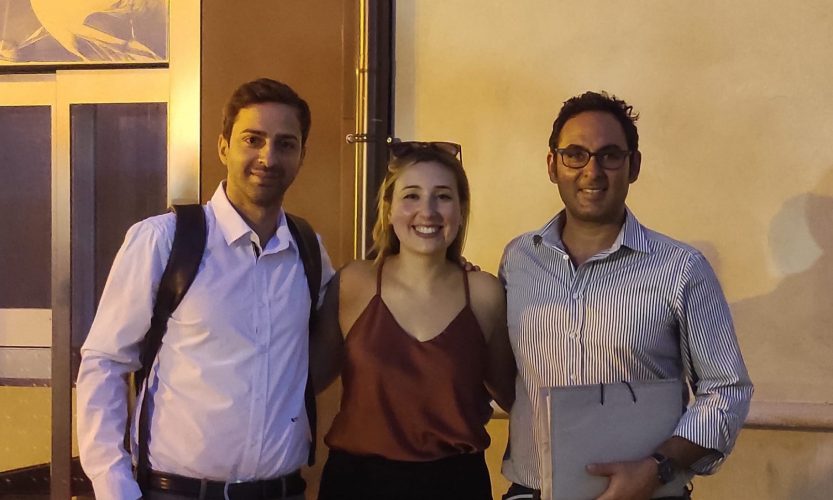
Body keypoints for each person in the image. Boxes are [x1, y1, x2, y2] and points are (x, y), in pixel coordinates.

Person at [76, 78, 335, 500]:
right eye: (253, 139)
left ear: (302, 156)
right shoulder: (164, 240)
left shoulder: (307, 250)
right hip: (175, 492)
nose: (268, 157)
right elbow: (105, 363)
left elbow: (342, 335)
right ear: (223, 147)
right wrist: (114, 487)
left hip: (282, 491)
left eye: (285, 144)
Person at [499, 92, 753, 500]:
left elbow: (727, 389)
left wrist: (658, 468)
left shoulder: (681, 268)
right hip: (534, 490)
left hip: (648, 493)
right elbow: (503, 372)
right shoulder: (519, 260)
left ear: (633, 166)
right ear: (552, 165)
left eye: (610, 155)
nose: (592, 171)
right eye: (575, 155)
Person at [312, 141, 516, 500]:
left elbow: (516, 394)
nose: (428, 211)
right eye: (411, 196)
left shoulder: (485, 294)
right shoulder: (352, 285)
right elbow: (303, 381)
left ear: (461, 211)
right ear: (388, 209)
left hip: (456, 485)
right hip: (358, 485)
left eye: (443, 197)